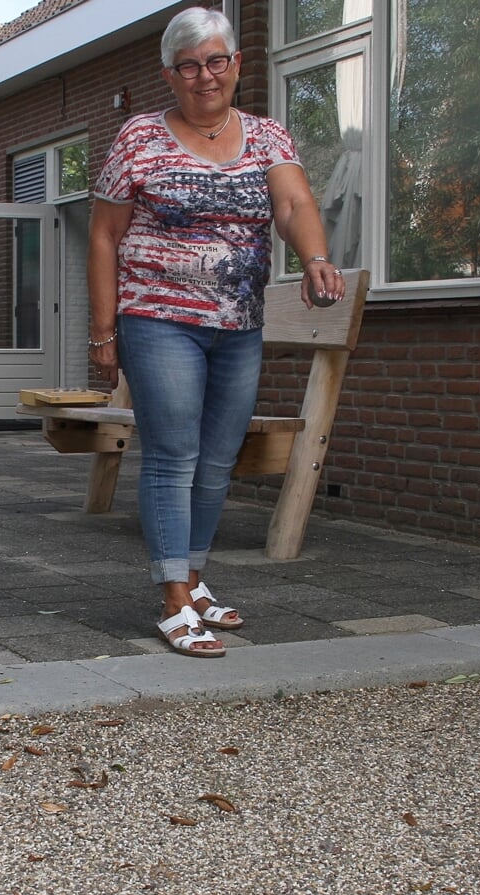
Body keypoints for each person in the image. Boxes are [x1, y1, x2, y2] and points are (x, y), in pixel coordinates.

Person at [88, 6, 345, 658]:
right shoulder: (139, 139)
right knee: (174, 454)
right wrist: (102, 332)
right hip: (158, 320)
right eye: (190, 65)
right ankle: (173, 597)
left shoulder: (267, 137)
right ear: (170, 75)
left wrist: (315, 258)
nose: (206, 76)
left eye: (217, 61)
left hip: (239, 324)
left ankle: (194, 579)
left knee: (218, 461)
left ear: (236, 65)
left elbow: (293, 203)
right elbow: (103, 236)